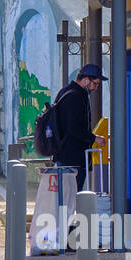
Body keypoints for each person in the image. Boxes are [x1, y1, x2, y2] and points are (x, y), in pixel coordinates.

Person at [52, 63, 108, 194]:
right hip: (72, 158)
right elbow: (73, 128)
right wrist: (95, 138)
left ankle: (66, 215)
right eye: (95, 84)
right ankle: (67, 215)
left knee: (66, 197)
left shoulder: (65, 92)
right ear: (86, 80)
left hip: (65, 155)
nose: (95, 88)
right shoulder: (76, 96)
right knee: (70, 197)